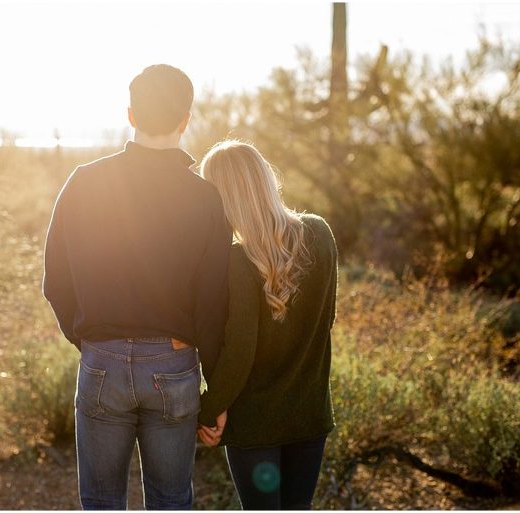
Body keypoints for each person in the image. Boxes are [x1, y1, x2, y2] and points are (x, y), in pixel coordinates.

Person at [42, 64, 232, 510]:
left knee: (101, 501)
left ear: (130, 114)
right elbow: (213, 302)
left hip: (100, 361)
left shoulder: (84, 182)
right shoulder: (206, 198)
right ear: (186, 119)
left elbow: (56, 281)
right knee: (170, 500)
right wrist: (217, 388)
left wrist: (92, 339)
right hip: (174, 363)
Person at [195, 140, 337, 510]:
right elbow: (327, 320)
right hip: (309, 415)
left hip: (255, 425)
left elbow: (239, 348)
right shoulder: (320, 234)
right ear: (264, 179)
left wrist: (208, 409)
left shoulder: (237, 261)